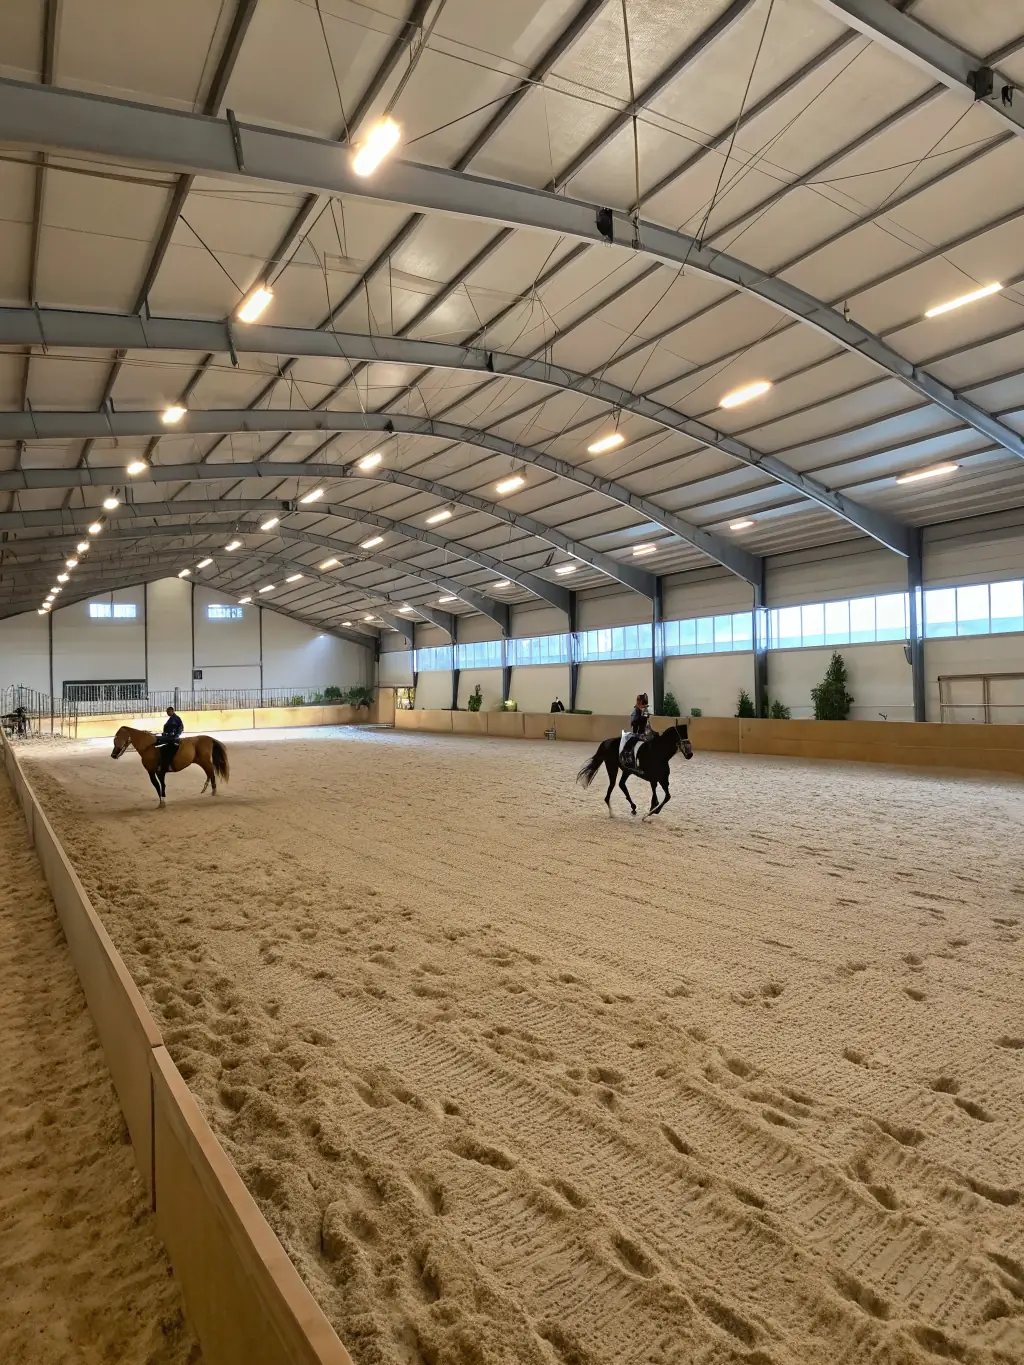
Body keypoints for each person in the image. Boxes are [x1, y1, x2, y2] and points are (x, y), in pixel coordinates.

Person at [154, 706, 184, 782]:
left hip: (172, 738)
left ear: (172, 711)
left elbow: (181, 728)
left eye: (168, 712)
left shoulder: (176, 718)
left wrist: (176, 736)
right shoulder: (171, 719)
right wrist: (164, 734)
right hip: (168, 737)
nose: (167, 713)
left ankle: (165, 765)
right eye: (167, 712)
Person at [623, 692, 651, 768]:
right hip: (638, 733)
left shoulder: (644, 710)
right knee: (633, 741)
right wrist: (644, 716)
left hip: (645, 732)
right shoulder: (636, 710)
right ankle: (627, 755)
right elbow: (634, 722)